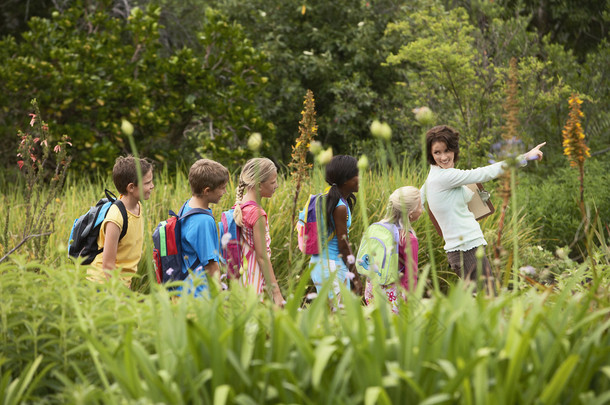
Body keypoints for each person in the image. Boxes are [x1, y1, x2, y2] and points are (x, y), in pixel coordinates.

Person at [422, 125, 545, 292]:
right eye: (437, 152)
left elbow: (416, 199)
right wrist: (525, 157)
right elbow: (485, 173)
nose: (443, 157)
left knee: (482, 304)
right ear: (431, 154)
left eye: (447, 150)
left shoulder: (435, 176)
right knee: (488, 301)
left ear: (454, 149)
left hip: (466, 248)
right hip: (466, 250)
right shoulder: (444, 177)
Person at [88, 155, 154, 287]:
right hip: (103, 284)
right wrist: (120, 295)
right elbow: (108, 265)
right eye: (147, 183)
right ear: (131, 187)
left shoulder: (137, 206)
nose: (152, 186)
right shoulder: (115, 219)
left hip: (121, 283)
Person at [310, 155, 363, 300]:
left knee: (333, 317)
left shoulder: (329, 198)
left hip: (319, 264)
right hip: (331, 265)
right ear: (346, 180)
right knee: (340, 317)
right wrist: (356, 278)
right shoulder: (339, 207)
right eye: (357, 174)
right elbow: (343, 245)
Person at [233, 157, 285, 306]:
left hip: (241, 277)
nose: (276, 185)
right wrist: (276, 293)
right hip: (255, 278)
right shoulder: (257, 214)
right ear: (258, 186)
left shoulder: (240, 208)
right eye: (273, 182)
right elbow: (262, 257)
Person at [363, 186, 422, 313]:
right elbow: (410, 276)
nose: (422, 210)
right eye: (420, 206)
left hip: (372, 289)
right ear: (410, 213)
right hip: (394, 296)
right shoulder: (408, 239)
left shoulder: (378, 229)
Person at [179, 159, 230, 298]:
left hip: (185, 287)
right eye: (222, 187)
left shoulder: (188, 206)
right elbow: (211, 265)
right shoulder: (203, 221)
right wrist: (220, 300)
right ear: (207, 190)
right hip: (199, 293)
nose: (225, 191)